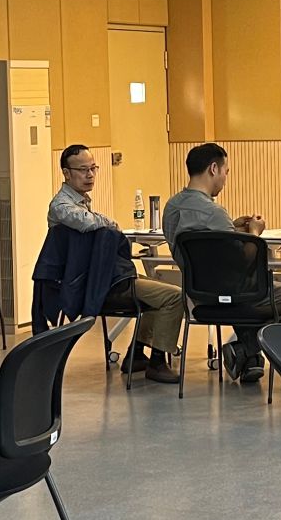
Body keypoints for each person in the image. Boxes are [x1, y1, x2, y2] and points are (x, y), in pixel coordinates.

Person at [161, 142, 281, 383]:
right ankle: (246, 348)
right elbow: (243, 260)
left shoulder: (171, 207)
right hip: (232, 294)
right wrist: (254, 232)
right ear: (213, 169)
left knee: (243, 297)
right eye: (226, 172)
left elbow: (205, 246)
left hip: (198, 295)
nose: (225, 179)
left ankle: (250, 359)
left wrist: (231, 229)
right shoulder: (214, 212)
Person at [47, 144, 184, 385]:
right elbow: (86, 223)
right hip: (93, 286)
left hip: (103, 279)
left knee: (156, 292)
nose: (90, 175)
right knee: (174, 297)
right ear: (66, 173)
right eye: (83, 170)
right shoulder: (61, 207)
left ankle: (136, 354)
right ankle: (157, 362)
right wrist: (110, 223)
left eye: (93, 168)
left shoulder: (80, 201)